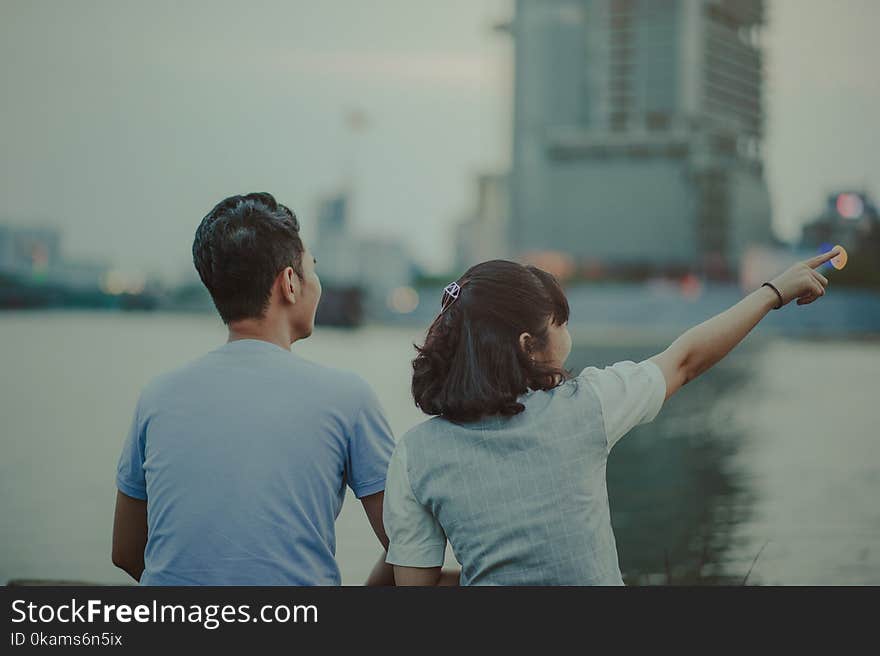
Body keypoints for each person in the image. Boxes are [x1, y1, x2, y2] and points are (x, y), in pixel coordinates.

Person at [383, 251, 839, 585]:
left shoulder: (416, 453)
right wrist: (773, 292)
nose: (567, 333)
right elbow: (686, 359)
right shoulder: (587, 407)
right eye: (560, 322)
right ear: (527, 345)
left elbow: (414, 587)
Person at [112, 192, 396, 585]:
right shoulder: (347, 397)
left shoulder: (158, 397)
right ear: (290, 283)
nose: (318, 284)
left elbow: (126, 552)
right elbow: (408, 545)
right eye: (312, 269)